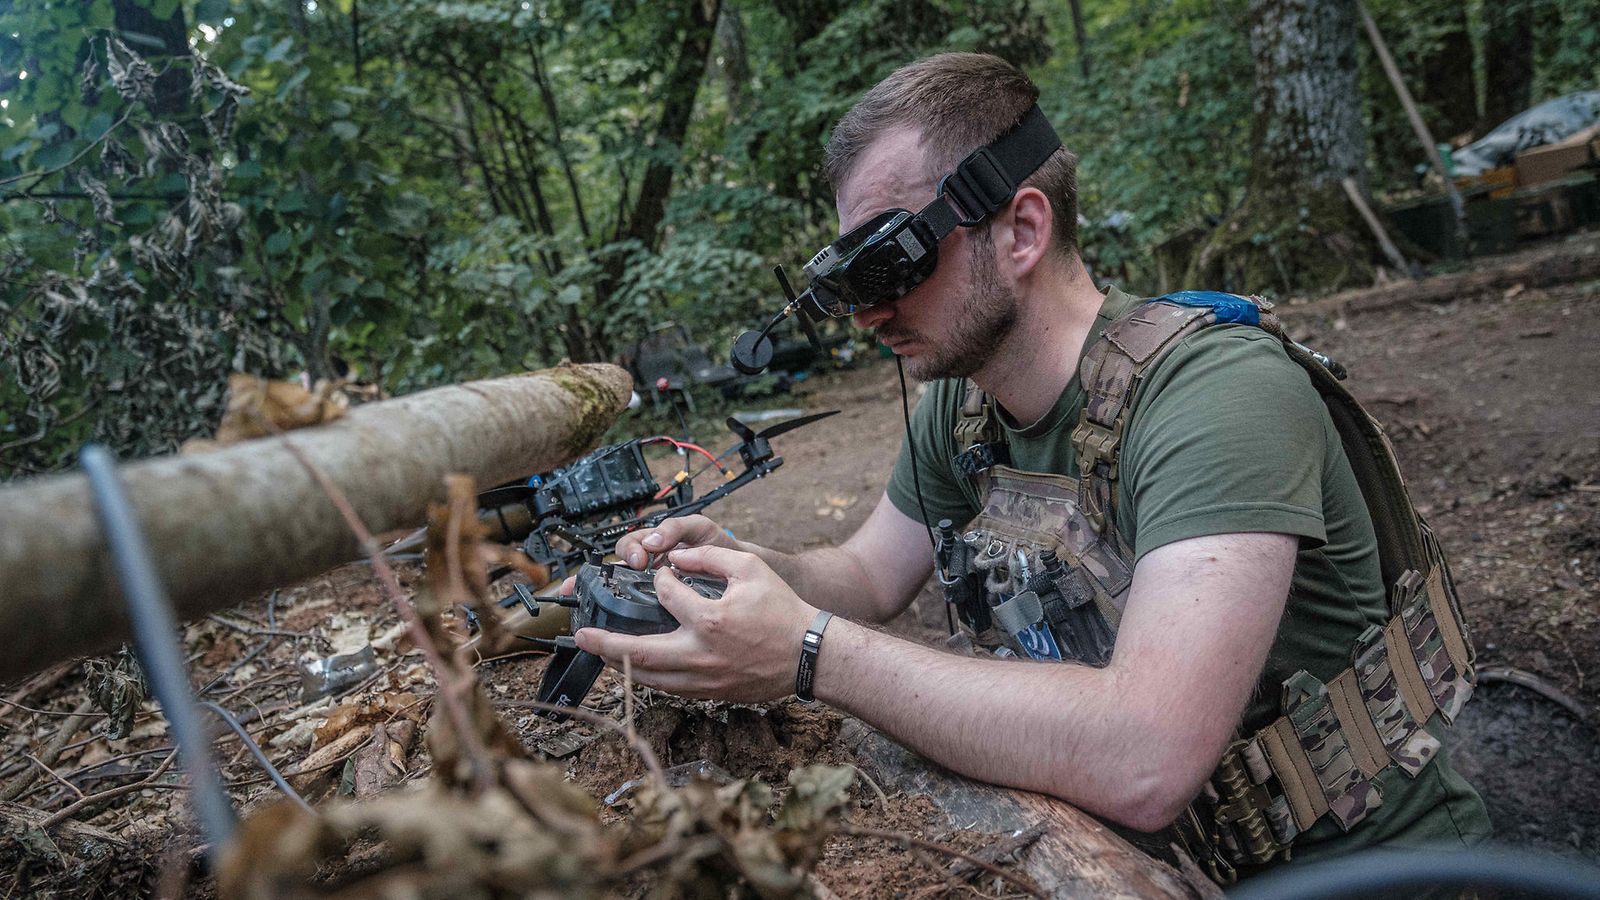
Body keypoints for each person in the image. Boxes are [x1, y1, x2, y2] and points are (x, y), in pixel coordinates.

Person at [570, 52, 1490, 878]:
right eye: (846, 283)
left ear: (1021, 231)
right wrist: (745, 572)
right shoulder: (960, 407)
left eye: (892, 264)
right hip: (1144, 867)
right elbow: (863, 574)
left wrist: (807, 651)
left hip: (1371, 869)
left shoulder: (1216, 395)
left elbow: (1147, 757)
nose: (864, 317)